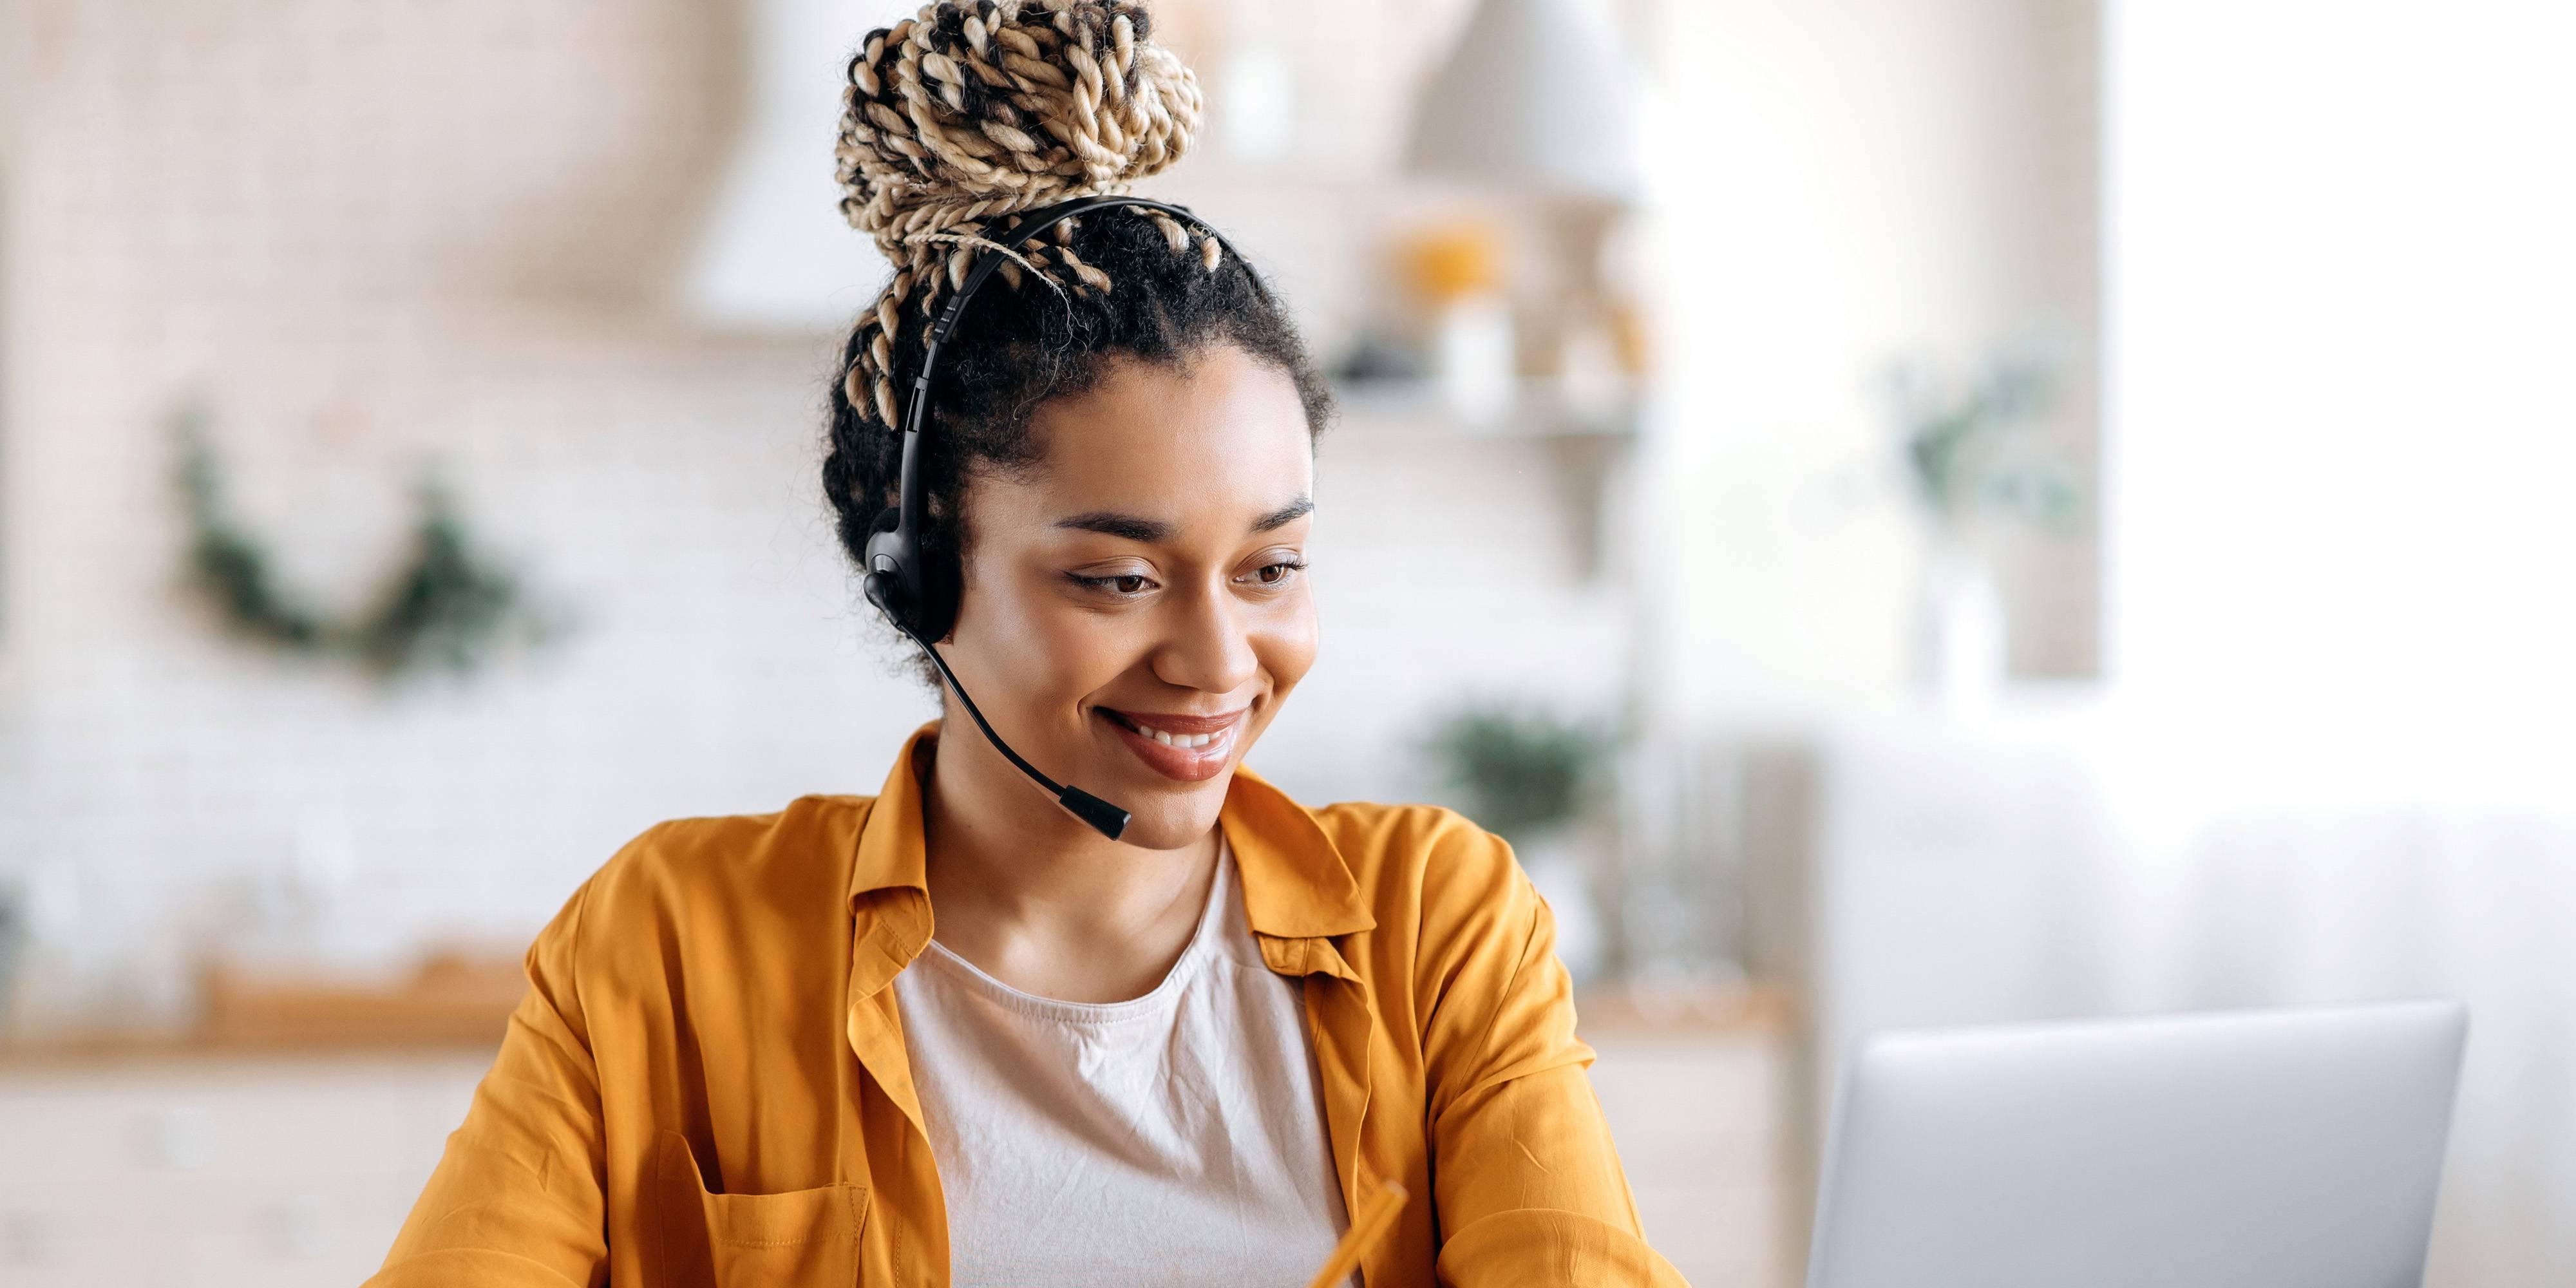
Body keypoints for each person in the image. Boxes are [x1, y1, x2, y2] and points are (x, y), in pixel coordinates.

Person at [370, 3, 1680, 1284]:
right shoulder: (669, 946)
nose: (1218, 658)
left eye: (1268, 566)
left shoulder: (1437, 931)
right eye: (1116, 577)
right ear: (919, 570)